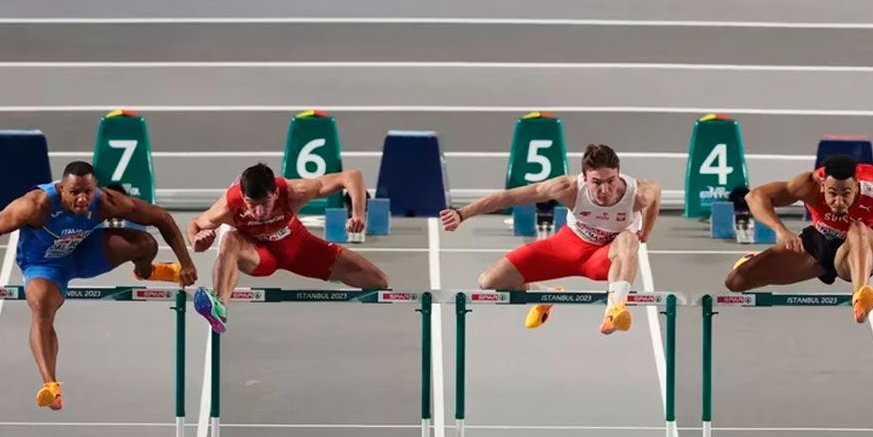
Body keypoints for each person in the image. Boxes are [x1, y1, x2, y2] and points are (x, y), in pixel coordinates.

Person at [0, 161, 198, 410]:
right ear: (61, 189)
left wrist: (186, 263)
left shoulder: (106, 202)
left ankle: (147, 272)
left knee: (145, 244)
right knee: (42, 307)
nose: (82, 199)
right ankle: (51, 386)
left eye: (88, 192)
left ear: (95, 188)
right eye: (74, 192)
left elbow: (161, 218)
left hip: (84, 251)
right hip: (44, 264)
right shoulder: (36, 205)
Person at [439, 143, 662, 334]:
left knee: (628, 239)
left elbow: (655, 194)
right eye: (596, 182)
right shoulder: (568, 188)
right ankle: (544, 295)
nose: (605, 190)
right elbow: (509, 197)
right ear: (584, 178)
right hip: (568, 246)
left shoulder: (638, 194)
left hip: (605, 256)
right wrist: (461, 214)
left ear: (619, 174)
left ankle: (613, 311)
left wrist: (646, 231)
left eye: (611, 180)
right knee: (489, 281)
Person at [724, 154, 873, 323]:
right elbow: (755, 196)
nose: (838, 201)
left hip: (859, 250)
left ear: (856, 186)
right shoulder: (808, 185)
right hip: (819, 243)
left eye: (846, 193)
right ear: (822, 185)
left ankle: (861, 297)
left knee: (857, 228)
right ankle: (752, 260)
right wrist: (782, 231)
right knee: (736, 281)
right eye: (832, 193)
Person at [186, 163, 388, 333]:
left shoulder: (293, 191)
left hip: (297, 246)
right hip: (260, 254)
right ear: (243, 196)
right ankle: (219, 307)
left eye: (265, 203)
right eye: (251, 204)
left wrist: (358, 214)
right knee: (229, 240)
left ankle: (333, 273)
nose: (259, 212)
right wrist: (197, 241)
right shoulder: (228, 206)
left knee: (377, 281)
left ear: (275, 193)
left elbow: (351, 176)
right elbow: (195, 224)